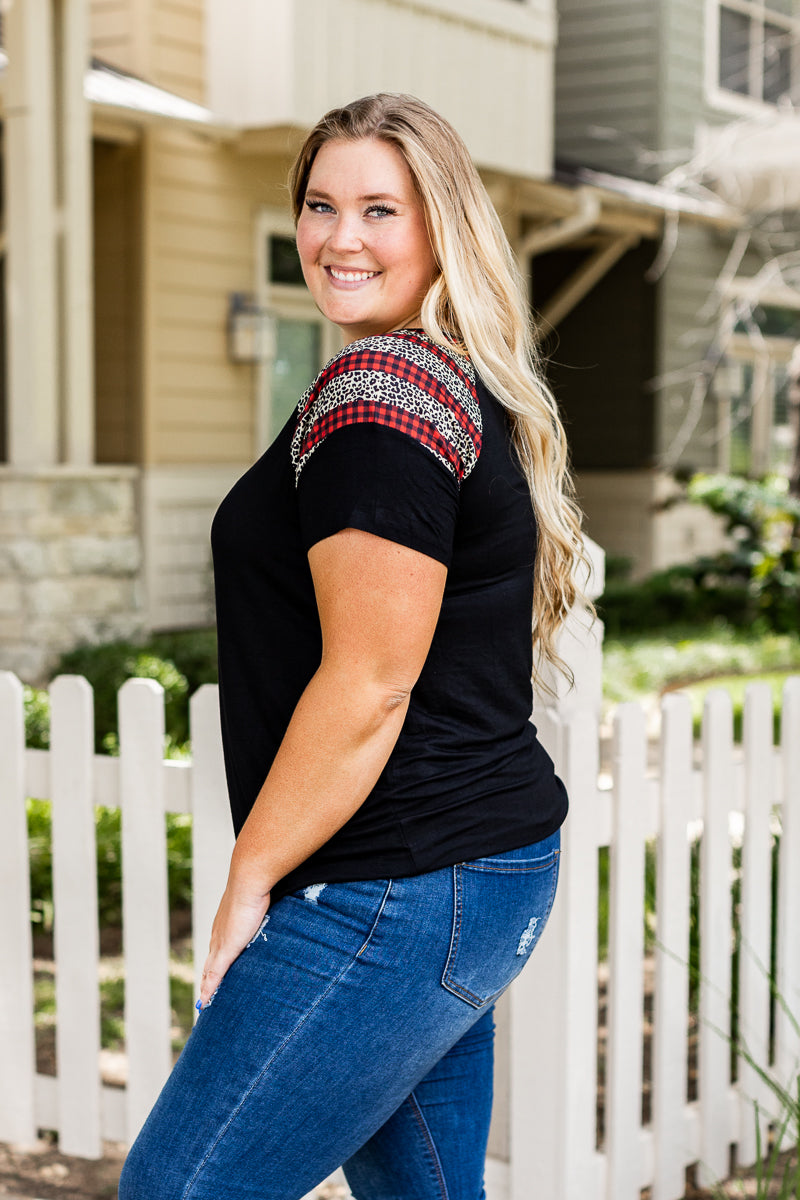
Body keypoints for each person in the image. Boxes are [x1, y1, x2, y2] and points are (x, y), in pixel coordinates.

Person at [118, 92, 587, 1200]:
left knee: (178, 1190)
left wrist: (248, 880)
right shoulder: (441, 377)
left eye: (381, 209)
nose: (339, 238)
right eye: (319, 205)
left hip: (400, 882)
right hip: (476, 869)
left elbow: (371, 683)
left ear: (440, 227)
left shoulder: (378, 394)